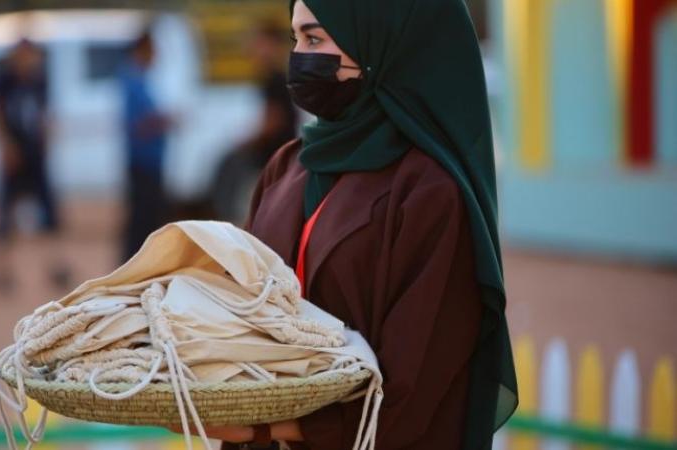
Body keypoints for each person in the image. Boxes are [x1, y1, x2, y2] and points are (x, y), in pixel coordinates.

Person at [182, 1, 518, 449]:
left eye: (315, 39)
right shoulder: (288, 169)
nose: (298, 57)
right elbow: (241, 324)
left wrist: (259, 426)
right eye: (295, 39)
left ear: (380, 44)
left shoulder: (430, 195)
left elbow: (408, 392)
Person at [0, 38, 69, 294]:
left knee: (49, 211)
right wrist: (6, 147)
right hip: (15, 153)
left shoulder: (39, 80)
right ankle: (3, 271)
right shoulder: (3, 82)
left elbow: (44, 114)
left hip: (35, 154)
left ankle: (55, 267)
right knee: (6, 213)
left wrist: (47, 140)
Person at [209, 19, 300, 222]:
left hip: (269, 163)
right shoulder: (270, 78)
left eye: (259, 42)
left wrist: (245, 141)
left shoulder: (275, 79)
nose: (252, 47)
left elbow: (274, 121)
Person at [119, 29, 172, 262]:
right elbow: (137, 123)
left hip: (149, 160)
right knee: (142, 218)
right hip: (143, 161)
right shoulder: (132, 80)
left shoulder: (141, 79)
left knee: (148, 217)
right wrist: (163, 121)